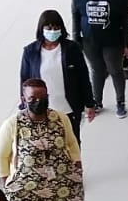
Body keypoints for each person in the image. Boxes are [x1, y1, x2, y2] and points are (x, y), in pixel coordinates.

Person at [72, 0, 128, 119]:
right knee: (97, 70)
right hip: (90, 42)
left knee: (115, 70)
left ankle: (120, 102)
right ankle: (96, 101)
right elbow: (75, 14)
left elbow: (124, 19)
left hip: (113, 41)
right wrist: (76, 38)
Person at [21, 10, 93, 145]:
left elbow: (83, 77)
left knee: (72, 143)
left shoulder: (72, 49)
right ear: (41, 29)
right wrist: (25, 105)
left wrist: (89, 103)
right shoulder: (30, 52)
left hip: (69, 109)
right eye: (48, 28)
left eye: (56, 28)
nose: (52, 31)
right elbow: (25, 80)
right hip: (41, 110)